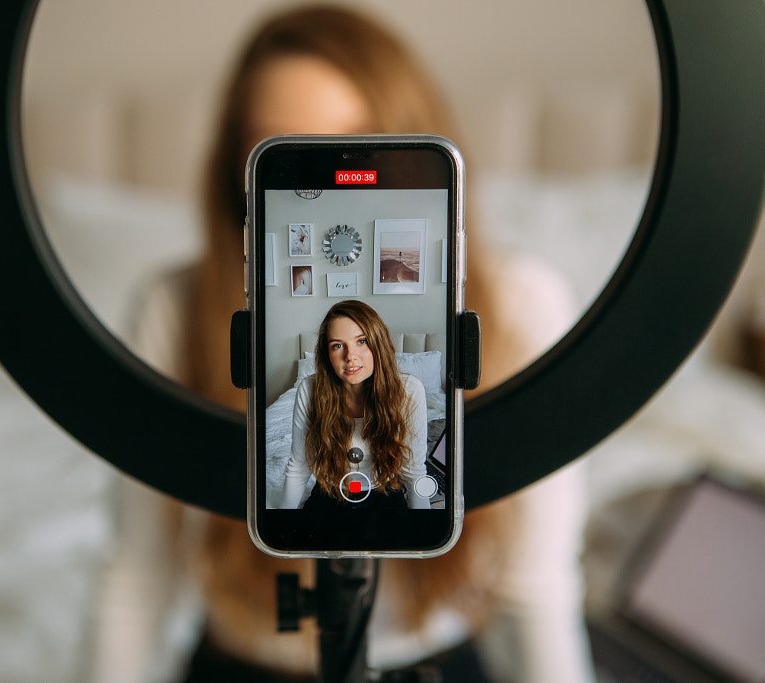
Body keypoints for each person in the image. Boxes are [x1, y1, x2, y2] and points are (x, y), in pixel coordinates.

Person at [124, 5, 593, 682]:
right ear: (240, 174)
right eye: (282, 151)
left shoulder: (523, 306)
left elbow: (535, 587)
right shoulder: (173, 311)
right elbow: (138, 577)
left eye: (353, 140)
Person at [280, 300, 432, 510]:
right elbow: (299, 467)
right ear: (327, 355)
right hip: (330, 492)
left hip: (384, 492)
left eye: (362, 341)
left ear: (378, 343)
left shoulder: (409, 390)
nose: (350, 356)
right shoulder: (310, 390)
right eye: (337, 345)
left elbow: (414, 473)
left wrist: (426, 531)